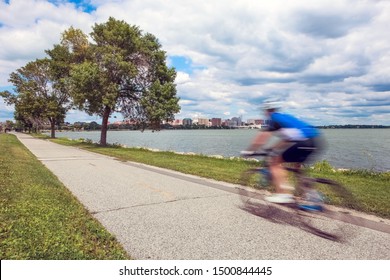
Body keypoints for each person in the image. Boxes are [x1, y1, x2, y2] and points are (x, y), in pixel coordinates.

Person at [242, 101, 322, 204]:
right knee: (297, 168)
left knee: (275, 162)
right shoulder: (285, 118)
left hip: (303, 142)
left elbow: (260, 139)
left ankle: (284, 194)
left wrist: (249, 151)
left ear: (267, 111)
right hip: (314, 141)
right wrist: (272, 148)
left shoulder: (273, 119)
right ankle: (313, 196)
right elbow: (287, 140)